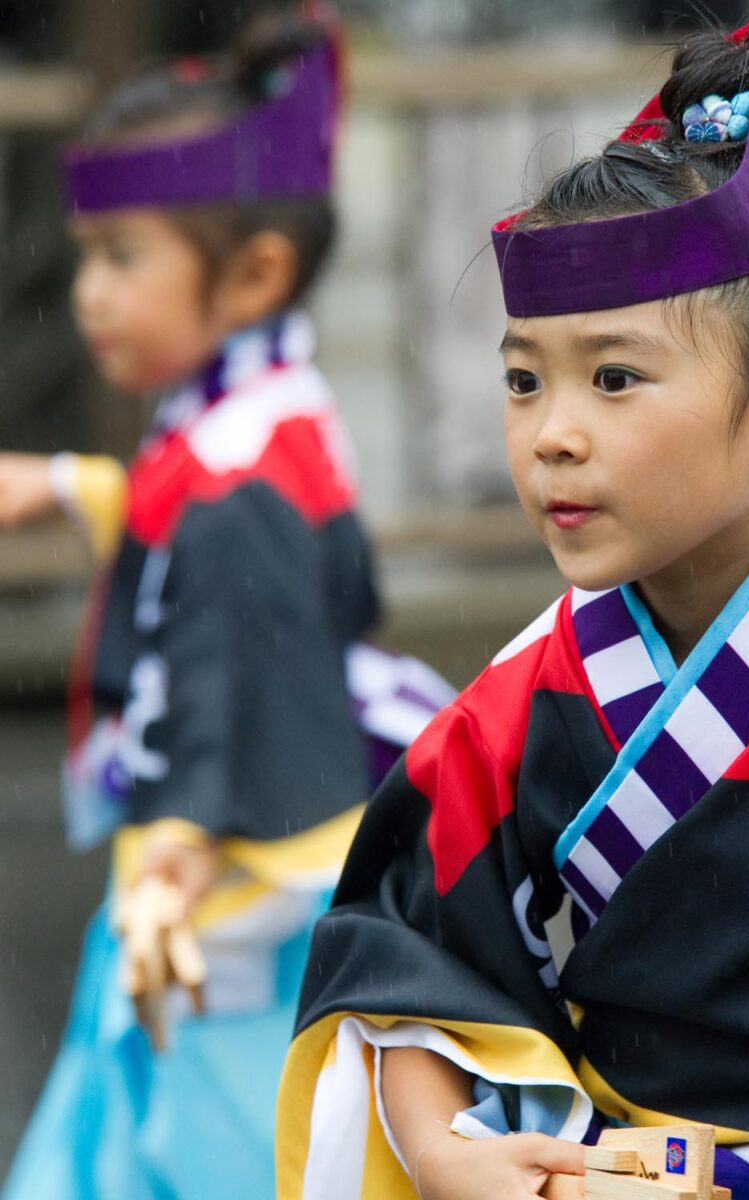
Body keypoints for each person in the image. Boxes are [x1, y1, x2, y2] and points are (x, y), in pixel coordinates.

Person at [276, 6, 749, 1200]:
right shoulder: (516, 702)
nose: (552, 437)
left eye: (614, 378)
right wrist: (450, 1156)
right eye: (523, 382)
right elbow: (400, 961)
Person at [0, 7, 453, 1199]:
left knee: (216, 1133)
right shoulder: (274, 406)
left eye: (122, 258)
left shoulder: (228, 475)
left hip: (224, 870)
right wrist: (63, 486)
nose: (89, 292)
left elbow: (212, 666)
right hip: (281, 817)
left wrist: (175, 859)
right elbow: (254, 565)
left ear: (251, 271)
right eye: (87, 254)